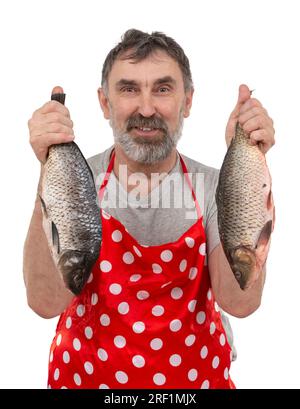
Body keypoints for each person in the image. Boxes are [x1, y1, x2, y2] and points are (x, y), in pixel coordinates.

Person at [23, 29, 275, 389]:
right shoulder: (79, 181)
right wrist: (51, 170)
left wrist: (248, 162)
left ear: (187, 101)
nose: (145, 108)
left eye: (162, 88)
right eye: (128, 89)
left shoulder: (215, 187)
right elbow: (45, 302)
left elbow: (240, 301)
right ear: (105, 103)